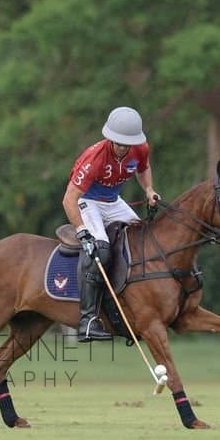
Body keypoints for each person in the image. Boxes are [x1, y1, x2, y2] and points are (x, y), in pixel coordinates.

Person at [62, 106, 161, 341]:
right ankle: (87, 320)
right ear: (110, 138)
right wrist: (83, 232)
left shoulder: (140, 149)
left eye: (128, 143)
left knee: (144, 240)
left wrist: (149, 190)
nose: (123, 148)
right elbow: (69, 199)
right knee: (101, 250)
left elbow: (143, 168)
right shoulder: (94, 158)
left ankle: (134, 309)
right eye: (119, 143)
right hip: (88, 201)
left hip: (113, 201)